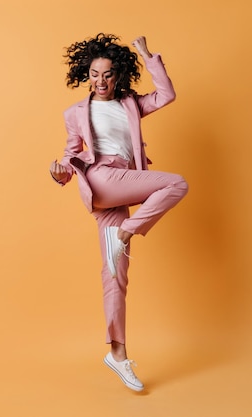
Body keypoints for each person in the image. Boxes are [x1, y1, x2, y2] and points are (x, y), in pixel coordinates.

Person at [49, 33, 188, 392]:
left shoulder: (131, 104)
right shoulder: (76, 113)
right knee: (176, 183)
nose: (101, 81)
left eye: (108, 74)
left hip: (121, 185)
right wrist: (60, 172)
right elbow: (70, 154)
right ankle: (127, 231)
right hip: (101, 177)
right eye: (94, 74)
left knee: (115, 275)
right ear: (86, 74)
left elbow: (167, 95)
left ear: (119, 75)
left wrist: (146, 54)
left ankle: (118, 354)